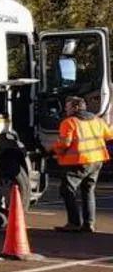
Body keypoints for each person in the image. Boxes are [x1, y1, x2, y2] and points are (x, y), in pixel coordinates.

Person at [51, 96, 113, 233]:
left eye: (67, 107)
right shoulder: (97, 120)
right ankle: (89, 224)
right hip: (97, 160)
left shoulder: (69, 122)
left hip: (79, 161)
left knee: (67, 190)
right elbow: (109, 136)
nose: (65, 109)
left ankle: (74, 222)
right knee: (88, 191)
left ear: (75, 108)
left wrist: (52, 151)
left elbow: (64, 143)